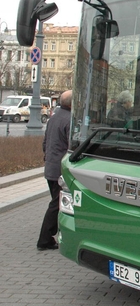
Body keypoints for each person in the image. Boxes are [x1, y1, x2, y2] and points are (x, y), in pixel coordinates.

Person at [36, 90, 72, 251]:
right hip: (60, 170)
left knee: (56, 202)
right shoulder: (69, 120)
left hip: (50, 166)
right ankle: (45, 239)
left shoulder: (54, 118)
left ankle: (52, 235)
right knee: (56, 204)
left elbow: (46, 143)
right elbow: (72, 147)